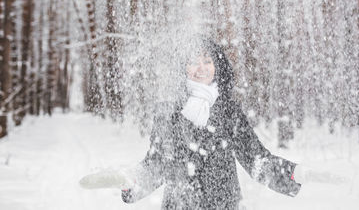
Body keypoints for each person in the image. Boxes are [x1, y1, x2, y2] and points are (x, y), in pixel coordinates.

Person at [80, 38, 302, 209]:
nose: (202, 68)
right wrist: (131, 179)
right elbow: (157, 165)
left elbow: (256, 160)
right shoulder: (168, 113)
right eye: (193, 62)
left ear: (217, 67)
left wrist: (293, 174)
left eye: (207, 61)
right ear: (183, 68)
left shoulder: (229, 111)